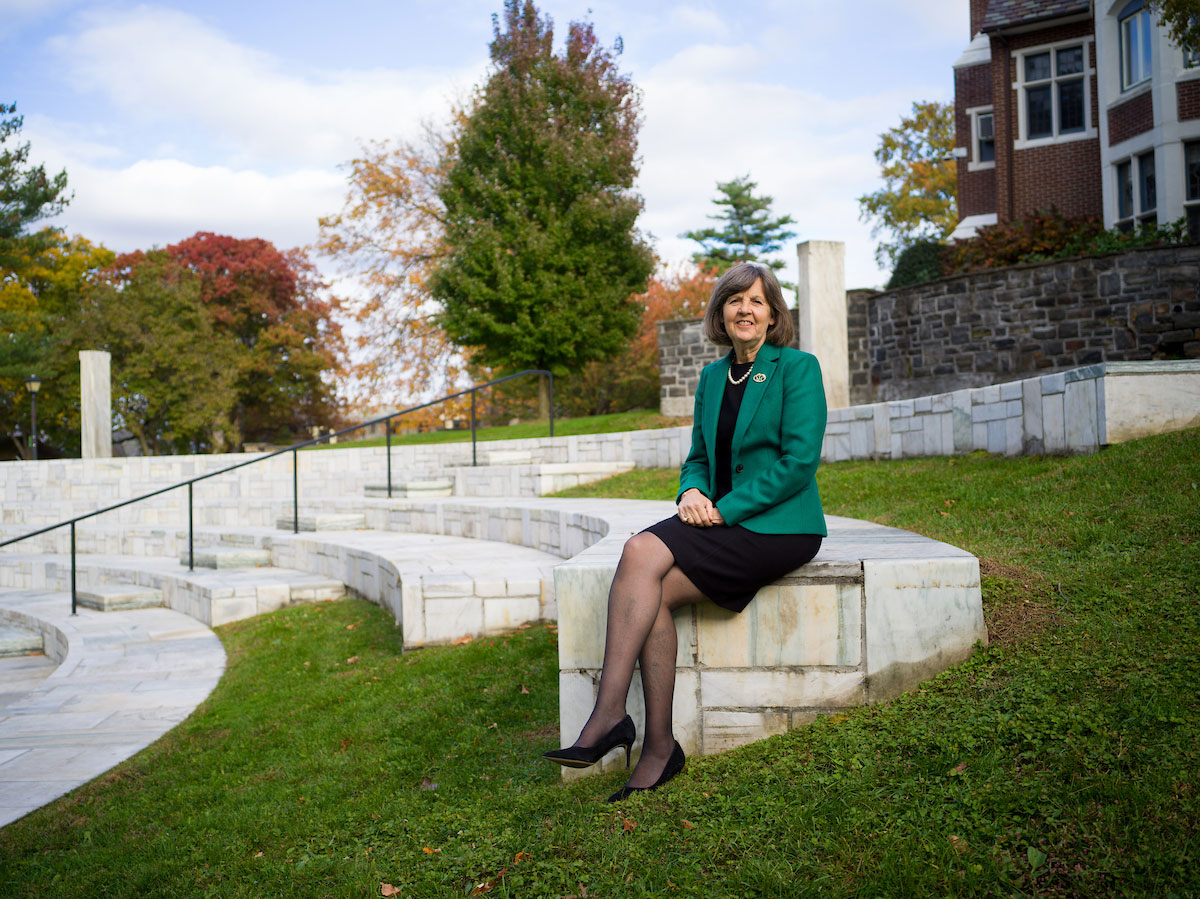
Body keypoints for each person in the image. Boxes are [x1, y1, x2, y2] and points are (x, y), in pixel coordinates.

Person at [542, 261, 828, 802]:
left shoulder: (797, 368)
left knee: (639, 550)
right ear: (721, 312)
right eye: (734, 300)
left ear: (773, 316)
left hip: (780, 526)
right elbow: (697, 457)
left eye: (757, 301)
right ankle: (658, 748)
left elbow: (798, 462)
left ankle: (607, 717)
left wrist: (723, 509)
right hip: (718, 517)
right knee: (648, 595)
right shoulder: (712, 378)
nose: (745, 310)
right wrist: (692, 493)